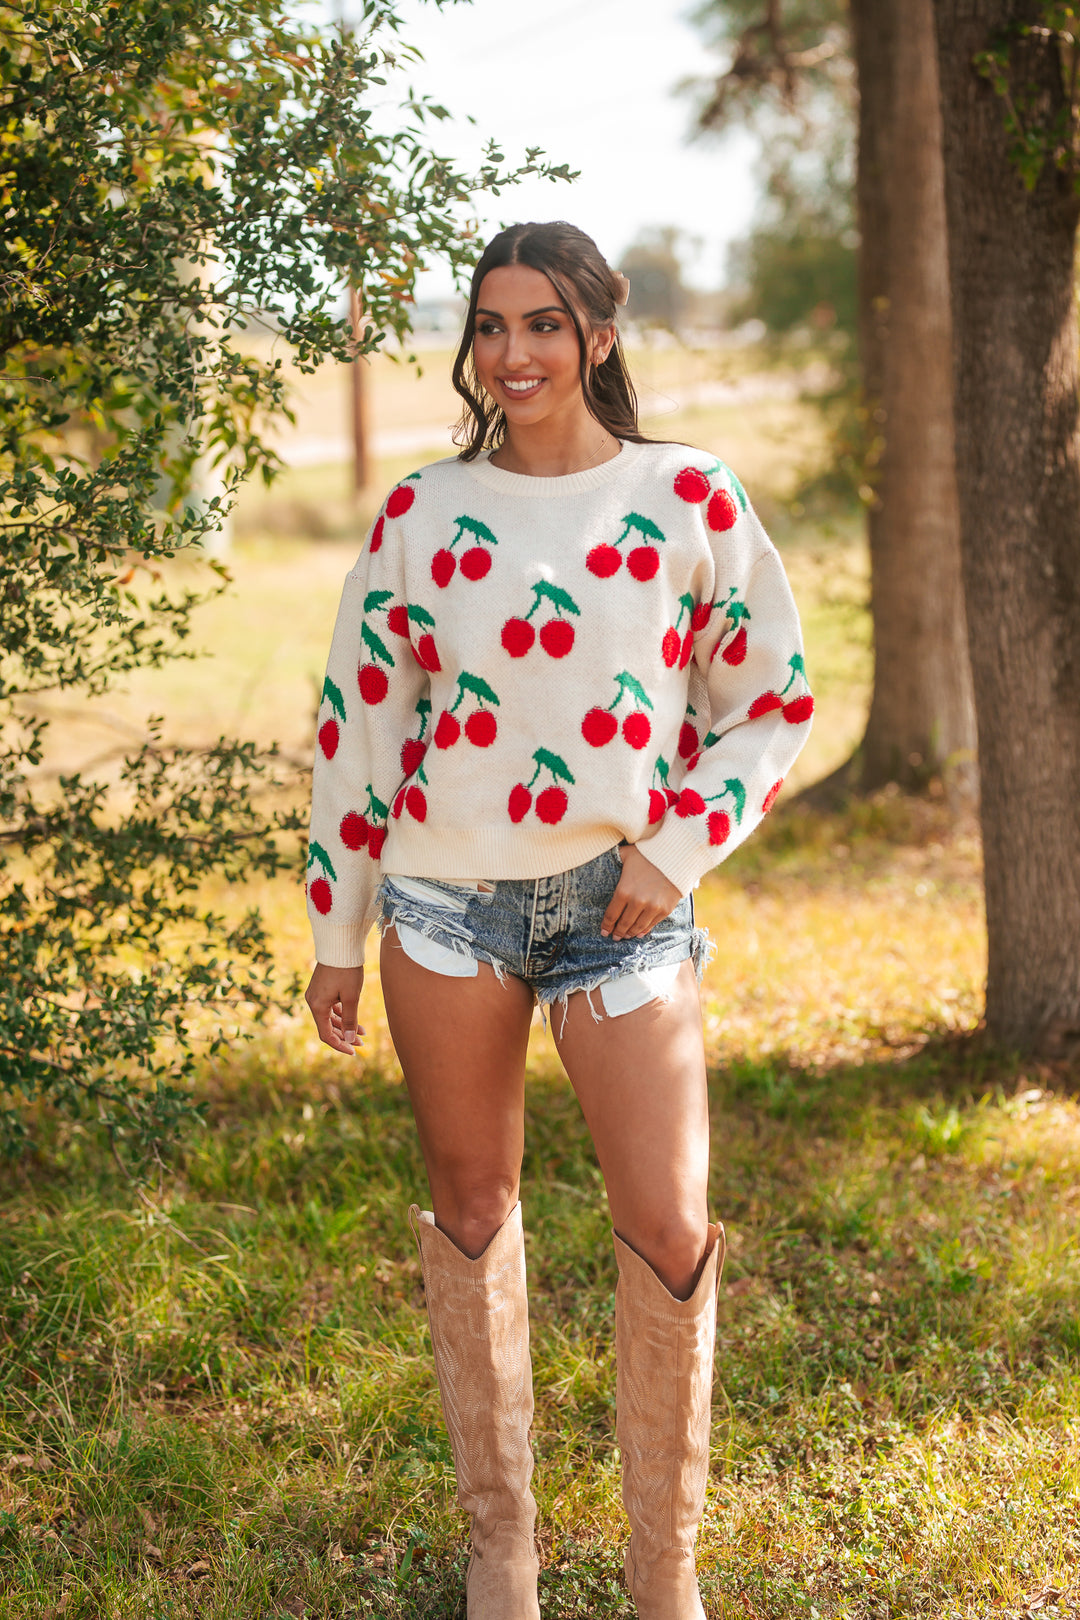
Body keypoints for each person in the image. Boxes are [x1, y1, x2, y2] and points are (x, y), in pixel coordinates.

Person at [304, 220, 813, 1620]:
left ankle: (667, 1580)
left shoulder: (690, 498)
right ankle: (504, 1554)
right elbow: (358, 729)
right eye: (490, 325)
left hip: (625, 913)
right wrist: (338, 934)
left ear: (601, 329)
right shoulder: (423, 516)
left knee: (667, 1222)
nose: (513, 353)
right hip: (444, 907)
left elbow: (769, 705)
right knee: (472, 1212)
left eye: (542, 323)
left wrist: (680, 844)